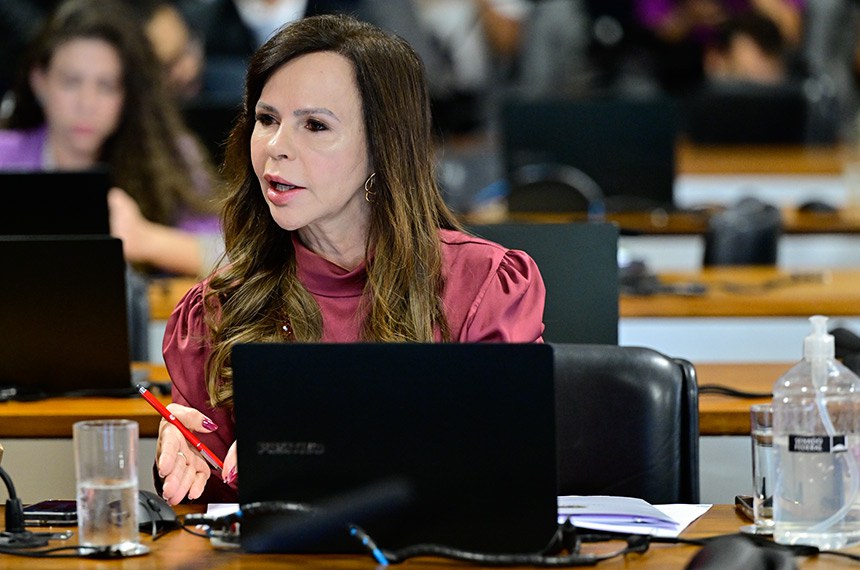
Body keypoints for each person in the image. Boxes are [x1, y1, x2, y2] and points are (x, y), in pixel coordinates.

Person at [155, 13, 547, 505]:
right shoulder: (216, 308)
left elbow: (504, 475)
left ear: (383, 147)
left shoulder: (485, 287)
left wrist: (324, 451)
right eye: (266, 119)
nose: (276, 147)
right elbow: (211, 500)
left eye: (315, 125)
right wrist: (183, 459)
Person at [0, 0, 223, 279]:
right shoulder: (4, 156)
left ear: (127, 95)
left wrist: (146, 240)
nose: (87, 104)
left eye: (106, 86)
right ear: (40, 82)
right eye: (71, 82)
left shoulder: (171, 155)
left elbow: (237, 256)